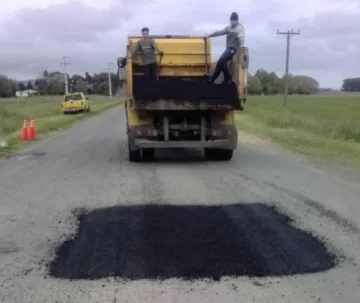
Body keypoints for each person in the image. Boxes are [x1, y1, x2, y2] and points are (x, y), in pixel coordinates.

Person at [205, 12, 245, 84]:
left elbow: (241, 38)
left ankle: (228, 77)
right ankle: (212, 79)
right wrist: (209, 35)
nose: (233, 23)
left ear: (237, 20)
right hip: (228, 49)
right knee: (220, 62)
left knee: (222, 60)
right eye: (231, 21)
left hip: (234, 49)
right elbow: (219, 32)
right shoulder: (228, 28)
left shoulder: (239, 29)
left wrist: (242, 47)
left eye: (234, 21)